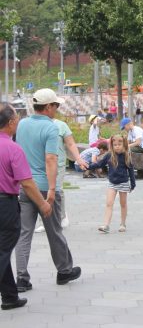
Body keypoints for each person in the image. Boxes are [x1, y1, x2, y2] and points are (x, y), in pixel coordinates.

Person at [15, 88, 82, 292]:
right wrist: (53, 189)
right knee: (54, 231)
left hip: (25, 186)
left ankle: (21, 278)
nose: (57, 109)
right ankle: (64, 271)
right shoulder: (52, 128)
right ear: (48, 107)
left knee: (24, 233)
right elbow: (51, 159)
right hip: (45, 187)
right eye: (56, 105)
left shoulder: (22, 124)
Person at [0, 103, 52, 311]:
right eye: (17, 119)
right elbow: (27, 182)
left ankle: (10, 296)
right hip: (5, 205)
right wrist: (42, 203)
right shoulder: (13, 148)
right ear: (12, 123)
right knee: (3, 251)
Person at [87, 135, 136, 233]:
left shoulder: (127, 155)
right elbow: (99, 164)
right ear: (112, 145)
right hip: (112, 183)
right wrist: (88, 166)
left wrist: (133, 183)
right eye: (115, 145)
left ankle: (122, 224)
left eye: (119, 144)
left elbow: (131, 171)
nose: (117, 146)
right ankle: (106, 225)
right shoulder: (109, 155)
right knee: (109, 203)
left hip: (123, 182)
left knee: (123, 204)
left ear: (124, 144)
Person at [52, 117, 88, 229]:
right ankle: (45, 221)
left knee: (57, 190)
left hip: (58, 163)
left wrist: (78, 159)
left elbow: (71, 144)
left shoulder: (61, 125)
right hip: (40, 164)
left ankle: (62, 216)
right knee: (42, 192)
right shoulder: (36, 123)